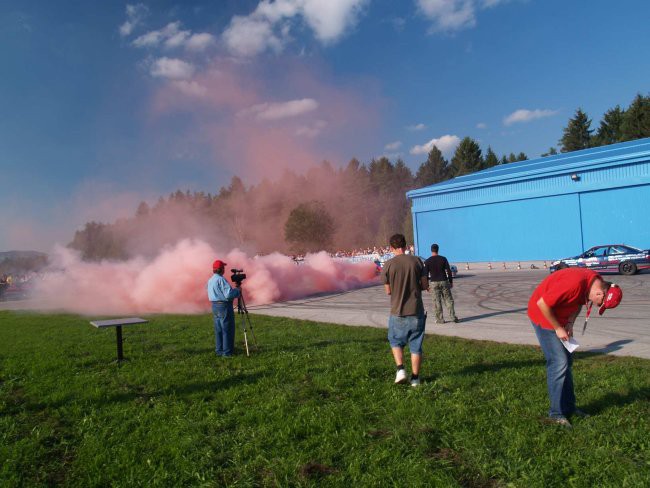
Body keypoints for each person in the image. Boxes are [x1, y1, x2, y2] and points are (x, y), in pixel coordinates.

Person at [528, 268, 623, 427]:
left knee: (567, 363)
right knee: (559, 363)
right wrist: (558, 328)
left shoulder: (593, 283)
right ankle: (556, 414)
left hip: (560, 317)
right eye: (599, 303)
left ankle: (569, 408)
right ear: (600, 293)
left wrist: (570, 322)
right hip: (543, 315)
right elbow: (542, 304)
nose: (596, 304)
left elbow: (579, 302)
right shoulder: (573, 284)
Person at [381, 234, 429, 387]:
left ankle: (401, 369)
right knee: (416, 346)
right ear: (405, 245)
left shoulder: (388, 265)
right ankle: (415, 379)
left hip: (398, 311)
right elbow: (423, 285)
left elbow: (388, 291)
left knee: (395, 341)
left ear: (391, 248)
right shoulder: (417, 261)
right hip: (416, 310)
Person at [207, 259, 240, 357]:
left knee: (219, 329)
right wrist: (237, 291)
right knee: (227, 329)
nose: (224, 269)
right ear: (221, 269)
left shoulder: (211, 279)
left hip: (215, 305)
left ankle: (219, 350)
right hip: (224, 306)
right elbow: (229, 294)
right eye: (223, 267)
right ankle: (227, 352)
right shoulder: (221, 279)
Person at [424, 243, 459, 324]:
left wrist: (426, 286)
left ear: (431, 250)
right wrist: (450, 281)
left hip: (434, 283)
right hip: (444, 281)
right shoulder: (443, 259)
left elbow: (425, 275)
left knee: (437, 301)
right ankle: (453, 317)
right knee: (448, 300)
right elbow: (449, 271)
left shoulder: (428, 261)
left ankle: (440, 319)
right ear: (438, 250)